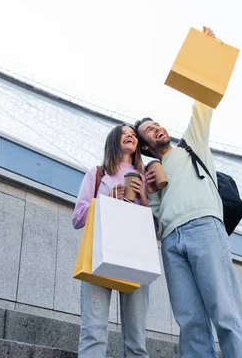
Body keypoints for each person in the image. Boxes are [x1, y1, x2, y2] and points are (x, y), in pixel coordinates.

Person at [134, 102, 242, 358]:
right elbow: (156, 215)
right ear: (145, 146)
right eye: (149, 131)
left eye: (157, 125)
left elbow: (203, 106)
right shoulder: (155, 173)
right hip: (170, 242)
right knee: (190, 322)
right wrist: (152, 193)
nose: (157, 129)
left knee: (225, 311)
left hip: (204, 227)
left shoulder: (192, 144)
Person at [72, 124, 150, 358]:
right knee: (93, 332)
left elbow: (155, 228)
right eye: (125, 132)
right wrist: (106, 200)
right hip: (101, 251)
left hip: (136, 256)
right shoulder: (97, 174)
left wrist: (145, 200)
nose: (130, 136)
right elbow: (77, 217)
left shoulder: (146, 178)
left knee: (137, 339)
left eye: (134, 134)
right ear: (114, 139)